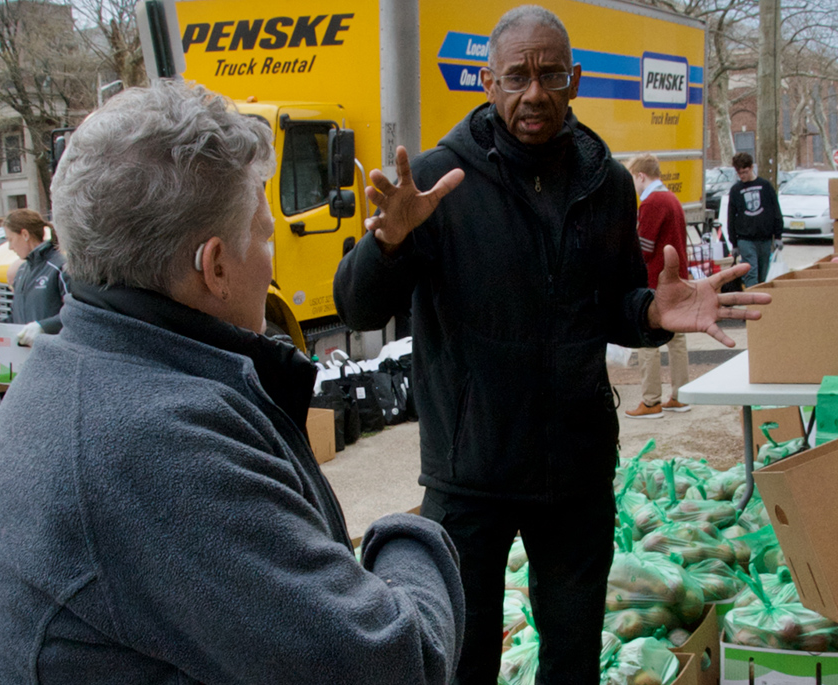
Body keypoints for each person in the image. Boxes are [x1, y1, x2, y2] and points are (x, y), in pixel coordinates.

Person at [0, 80, 465, 685]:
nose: (269, 254)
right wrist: (410, 536)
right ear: (214, 266)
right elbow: (396, 664)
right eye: (264, 232)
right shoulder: (154, 445)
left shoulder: (80, 364)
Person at [333, 6, 770, 683]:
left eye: (550, 74)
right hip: (469, 475)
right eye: (516, 76)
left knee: (571, 660)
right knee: (464, 660)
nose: (533, 92)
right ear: (488, 81)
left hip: (575, 474)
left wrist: (655, 308)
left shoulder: (607, 183)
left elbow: (617, 309)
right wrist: (385, 244)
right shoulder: (438, 181)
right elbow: (358, 306)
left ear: (575, 80)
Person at [624, 154, 691, 419]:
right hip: (677, 278)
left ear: (641, 175)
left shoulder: (651, 203)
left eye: (633, 179)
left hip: (655, 282)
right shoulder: (672, 199)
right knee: (677, 339)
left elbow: (645, 248)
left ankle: (651, 400)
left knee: (648, 340)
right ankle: (680, 395)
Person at [2, 208, 70, 346]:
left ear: (25, 234)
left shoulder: (60, 266)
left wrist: (44, 327)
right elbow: (15, 317)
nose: (10, 247)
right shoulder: (21, 271)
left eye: (11, 239)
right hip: (26, 358)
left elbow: (77, 312)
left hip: (56, 353)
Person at [727, 152, 784, 287]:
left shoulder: (765, 186)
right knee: (750, 271)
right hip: (745, 238)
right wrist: (734, 243)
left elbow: (776, 211)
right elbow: (731, 217)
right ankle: (753, 299)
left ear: (752, 168)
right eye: (739, 173)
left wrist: (778, 235)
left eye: (745, 172)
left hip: (764, 238)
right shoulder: (736, 190)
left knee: (763, 273)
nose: (742, 176)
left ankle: (761, 298)